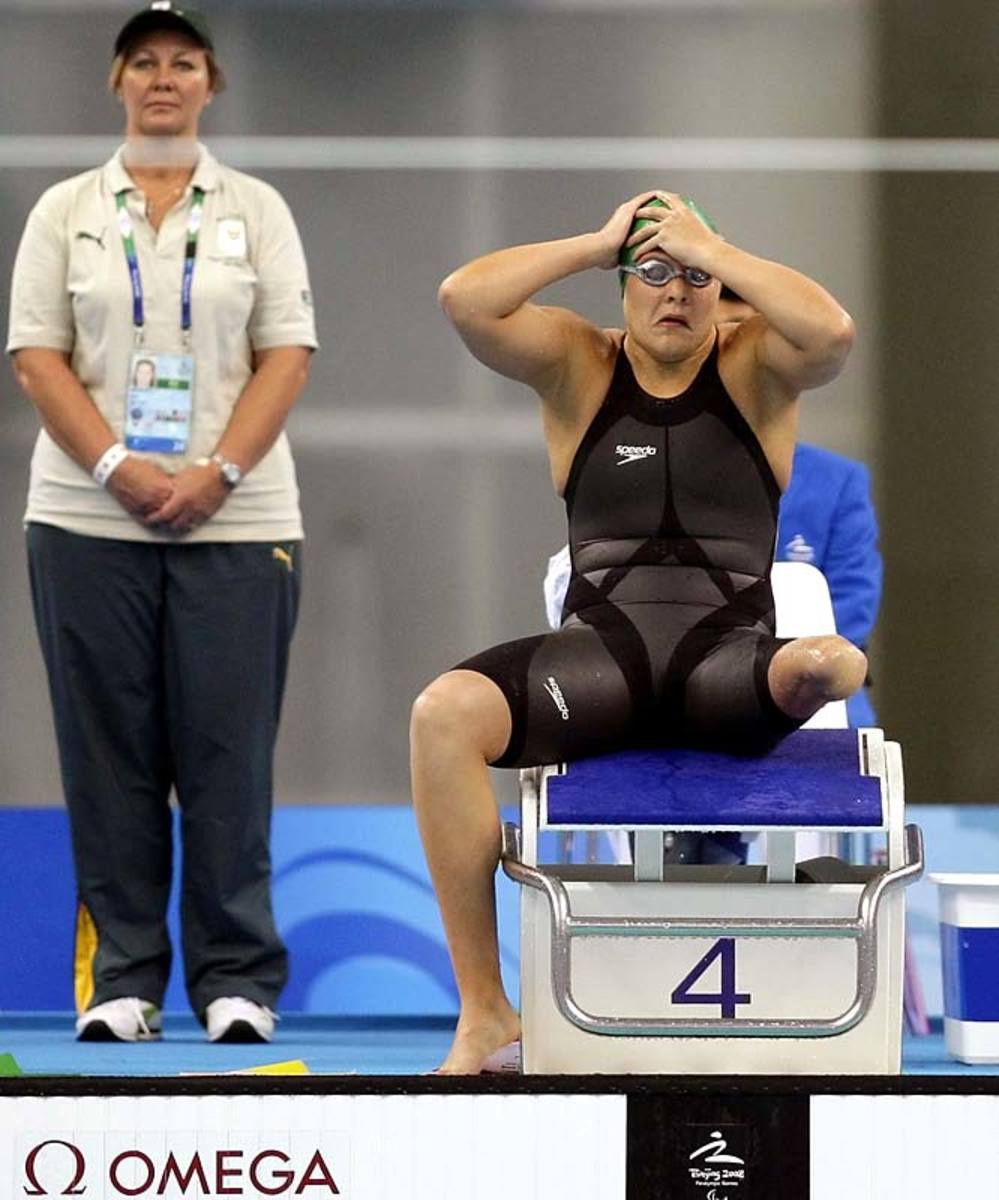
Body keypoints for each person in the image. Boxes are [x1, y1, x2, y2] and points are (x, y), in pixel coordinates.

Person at [412, 190, 865, 1073]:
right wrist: (595, 242)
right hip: (600, 665)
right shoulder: (578, 365)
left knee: (823, 663)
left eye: (694, 277)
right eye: (652, 273)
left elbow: (832, 333)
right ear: (621, 286)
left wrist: (715, 249)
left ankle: (808, 674)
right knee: (442, 715)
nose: (675, 292)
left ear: (719, 285)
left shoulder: (754, 367)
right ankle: (485, 1012)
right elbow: (466, 298)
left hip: (726, 664)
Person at [7, 2, 317, 1043]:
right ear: (117, 83)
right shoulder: (65, 210)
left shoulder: (257, 209)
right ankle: (123, 982)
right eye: (144, 63)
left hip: (240, 517)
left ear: (212, 84)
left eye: (184, 62)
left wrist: (220, 471)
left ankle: (238, 981)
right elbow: (37, 355)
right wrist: (115, 465)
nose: (164, 79)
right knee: (109, 756)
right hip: (87, 517)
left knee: (229, 753)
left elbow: (288, 353)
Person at [545, 440, 883, 728]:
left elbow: (851, 606)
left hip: (806, 686)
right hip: (672, 676)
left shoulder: (836, 481)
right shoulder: (651, 468)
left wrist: (764, 670)